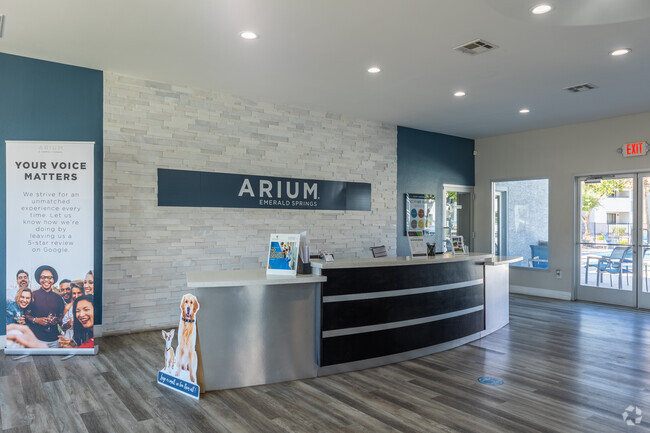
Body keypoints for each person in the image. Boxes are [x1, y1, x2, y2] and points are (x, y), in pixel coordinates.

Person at [27, 265, 65, 347]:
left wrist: (56, 320)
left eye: (49, 277)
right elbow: (25, 315)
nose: (46, 280)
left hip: (55, 340)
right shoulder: (32, 295)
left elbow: (61, 319)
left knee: (55, 360)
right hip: (36, 339)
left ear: (53, 280)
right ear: (39, 279)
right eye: (43, 277)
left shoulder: (58, 298)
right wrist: (36, 320)